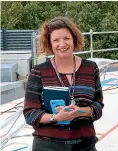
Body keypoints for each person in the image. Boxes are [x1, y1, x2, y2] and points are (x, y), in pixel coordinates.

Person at [23, 16, 103, 151]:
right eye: (56, 40)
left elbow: (98, 106)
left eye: (66, 38)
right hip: (48, 145)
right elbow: (30, 113)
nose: (62, 44)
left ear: (74, 39)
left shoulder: (90, 68)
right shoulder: (39, 72)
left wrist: (81, 112)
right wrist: (56, 117)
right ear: (50, 44)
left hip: (85, 144)